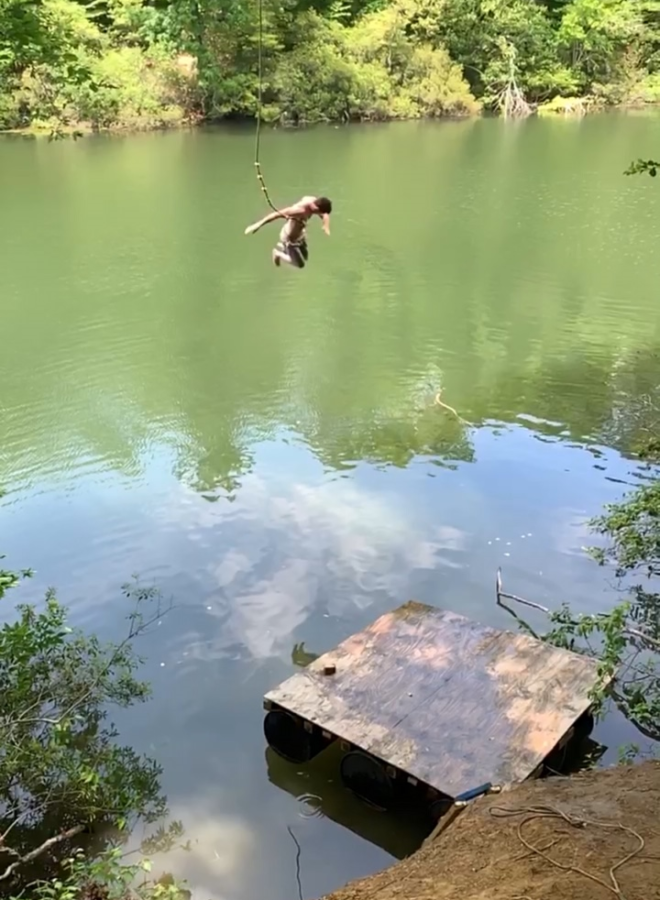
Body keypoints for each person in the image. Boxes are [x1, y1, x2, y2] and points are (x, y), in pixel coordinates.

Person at [244, 196, 332, 269]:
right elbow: (276, 215)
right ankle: (277, 253)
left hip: (300, 236)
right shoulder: (299, 210)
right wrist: (258, 224)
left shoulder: (313, 200)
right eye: (319, 213)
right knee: (300, 264)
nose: (320, 215)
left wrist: (326, 226)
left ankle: (284, 249)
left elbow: (325, 214)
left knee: (305, 257)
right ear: (316, 208)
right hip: (289, 239)